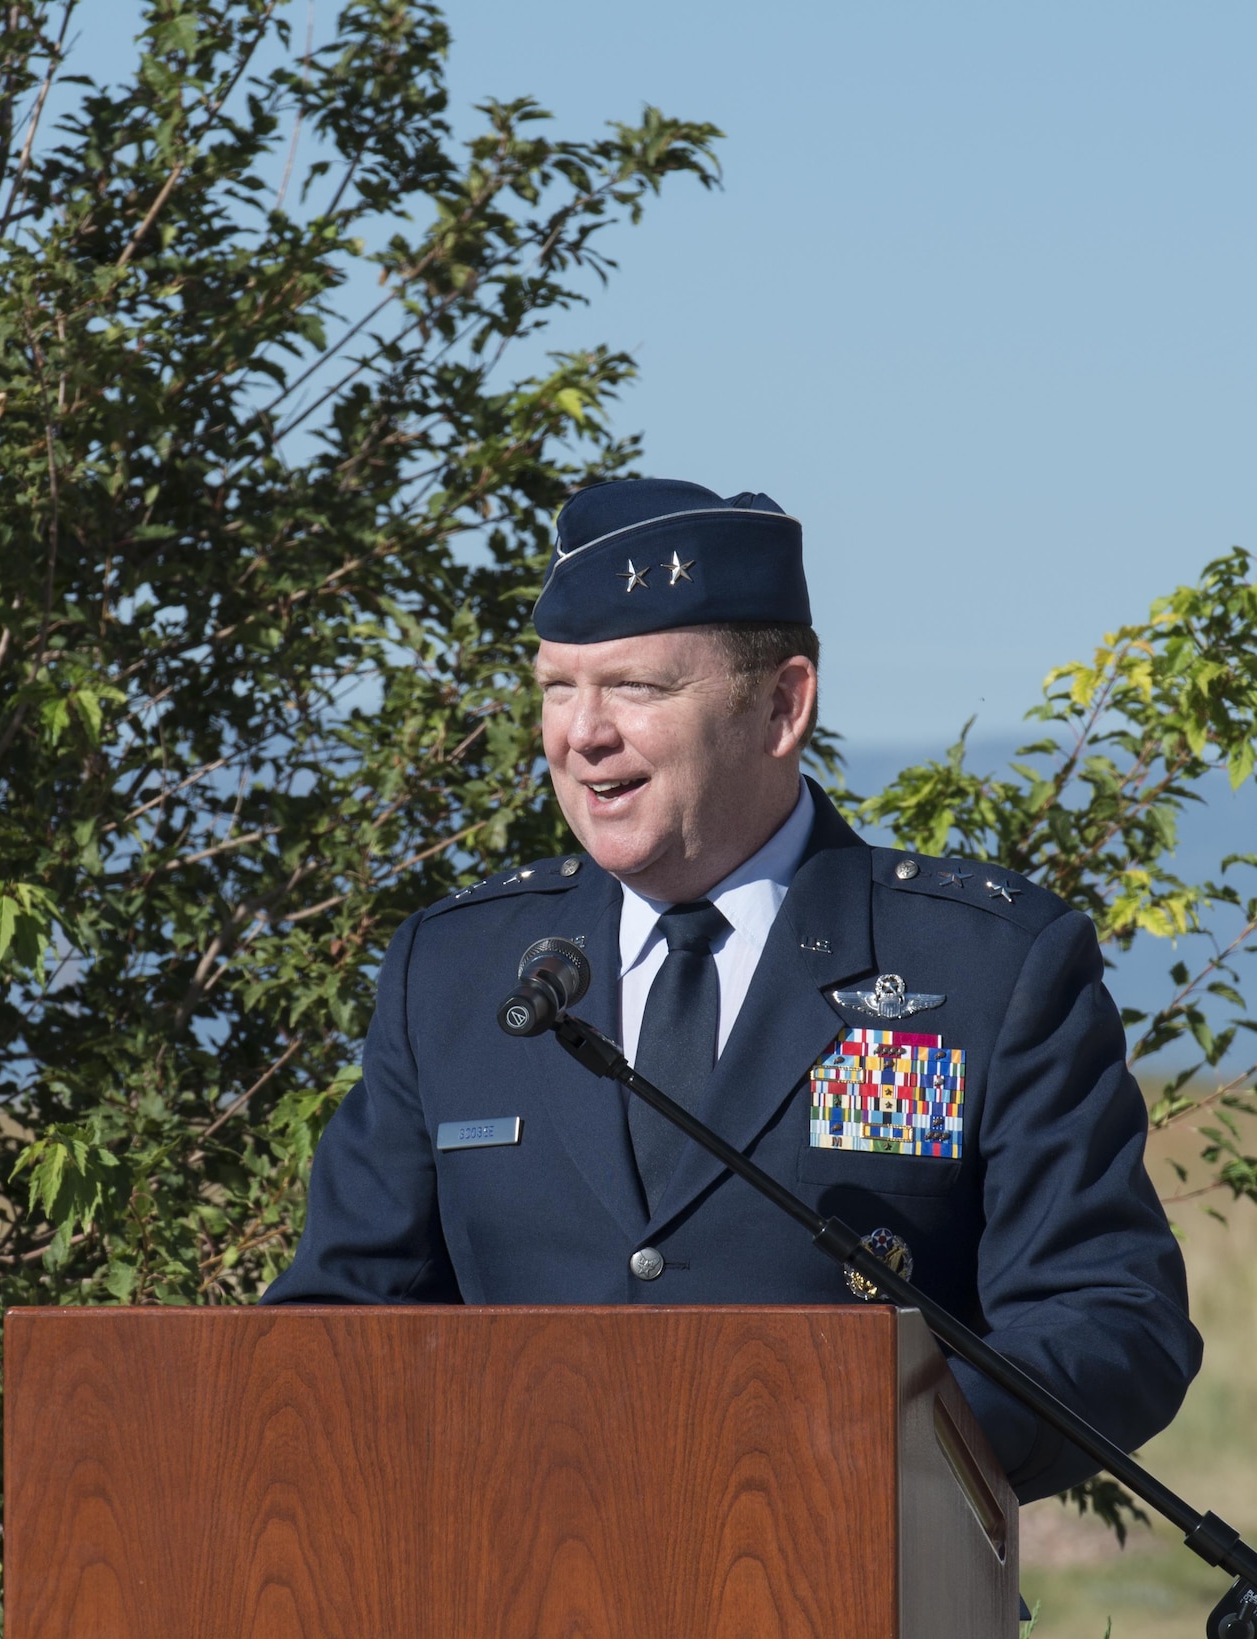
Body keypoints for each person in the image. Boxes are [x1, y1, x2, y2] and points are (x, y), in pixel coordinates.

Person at [264, 476, 1200, 1503]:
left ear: (781, 704)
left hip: (851, 1601)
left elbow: (1110, 1319)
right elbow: (333, 1329)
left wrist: (866, 1461)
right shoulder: (455, 970)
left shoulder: (983, 965)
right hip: (510, 1607)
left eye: (637, 688)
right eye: (555, 687)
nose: (581, 733)